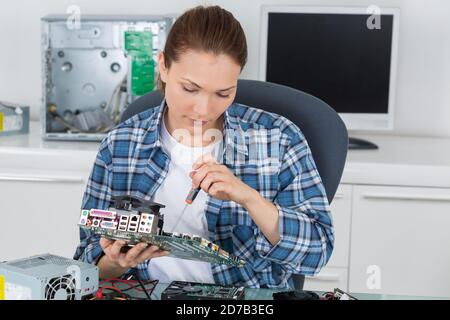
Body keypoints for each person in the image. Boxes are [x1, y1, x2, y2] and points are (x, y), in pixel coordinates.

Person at [74, 5, 334, 288]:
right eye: (190, 88)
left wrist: (249, 198)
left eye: (223, 93)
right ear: (163, 66)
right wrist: (114, 261)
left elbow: (317, 253)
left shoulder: (278, 138)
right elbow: (88, 263)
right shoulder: (121, 144)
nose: (203, 109)